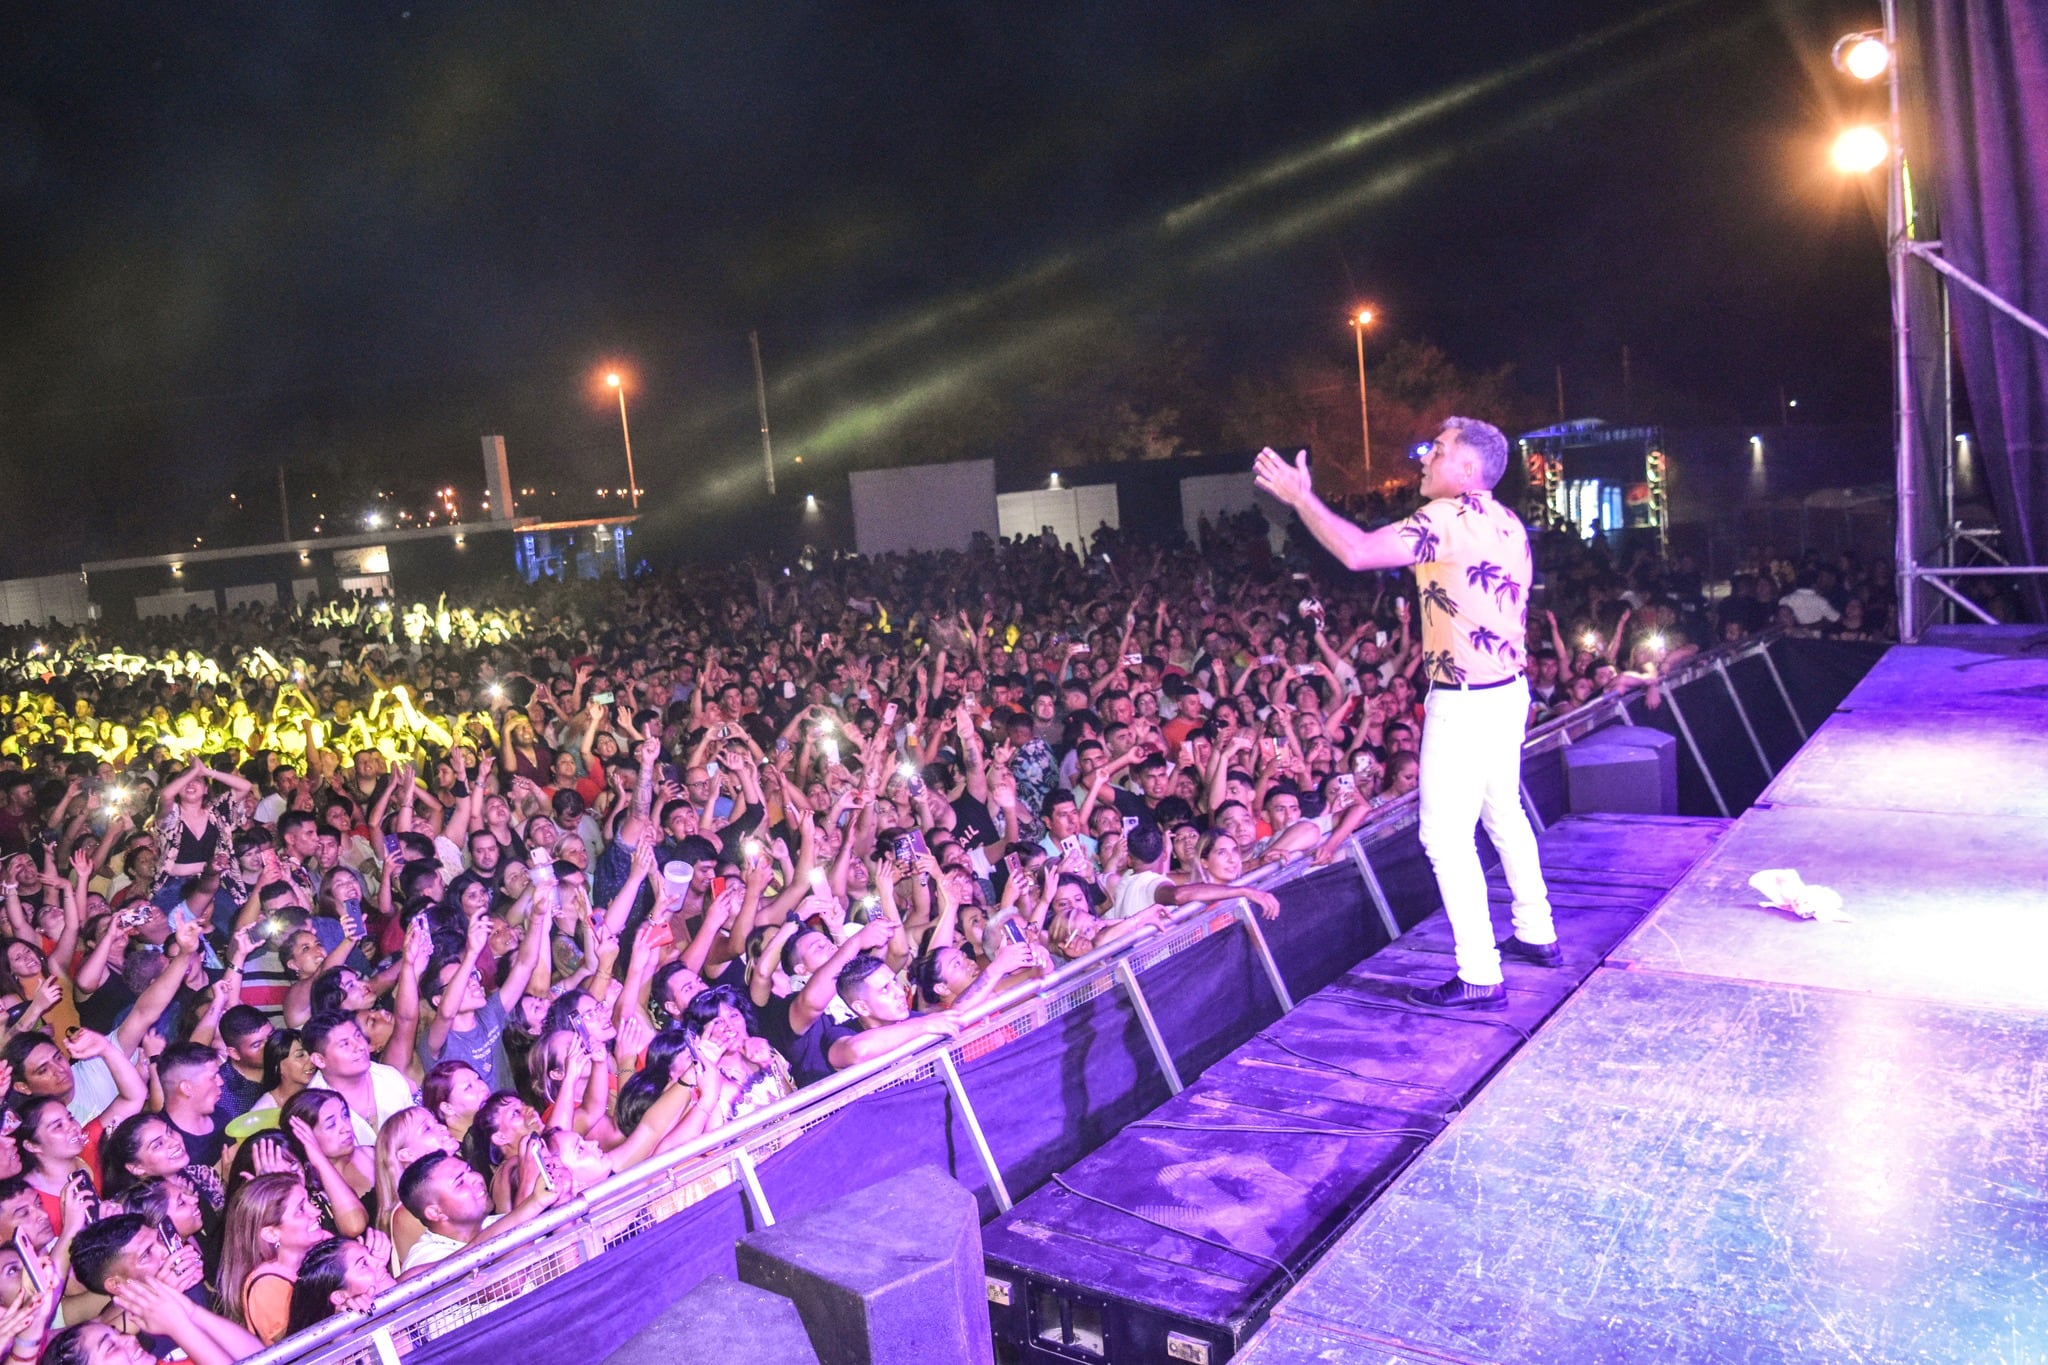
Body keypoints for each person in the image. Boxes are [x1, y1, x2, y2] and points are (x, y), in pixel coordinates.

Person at [1257, 421, 1557, 1008]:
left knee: (1445, 836)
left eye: (1438, 451)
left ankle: (1479, 972)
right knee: (1503, 813)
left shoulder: (1446, 519)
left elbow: (1356, 551)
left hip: (1466, 700)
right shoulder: (1506, 520)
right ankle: (1536, 931)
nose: (1424, 458)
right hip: (1508, 691)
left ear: (1468, 469)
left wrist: (1299, 497)